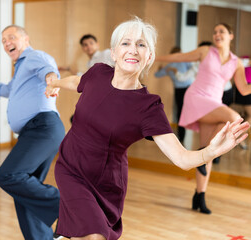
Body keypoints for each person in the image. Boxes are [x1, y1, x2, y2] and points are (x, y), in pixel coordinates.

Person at [44, 17, 249, 240]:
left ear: (148, 57)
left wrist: (212, 151)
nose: (133, 50)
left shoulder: (148, 106)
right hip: (71, 167)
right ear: (113, 53)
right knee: (94, 237)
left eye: (141, 45)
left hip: (107, 183)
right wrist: (54, 83)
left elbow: (181, 158)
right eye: (126, 43)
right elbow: (77, 82)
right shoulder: (98, 73)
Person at [0, 25, 65, 240]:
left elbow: (48, 70)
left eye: (11, 37)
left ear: (25, 39)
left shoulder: (34, 57)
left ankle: (68, 206)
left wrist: (52, 79)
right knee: (25, 192)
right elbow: (8, 89)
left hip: (43, 128)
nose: (6, 43)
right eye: (3, 40)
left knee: (8, 175)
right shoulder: (21, 68)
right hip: (37, 131)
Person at [156, 22, 251, 214]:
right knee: (233, 117)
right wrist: (154, 56)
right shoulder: (206, 51)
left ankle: (199, 197)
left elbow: (244, 89)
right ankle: (203, 152)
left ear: (230, 36)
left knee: (209, 152)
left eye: (222, 31)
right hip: (198, 98)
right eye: (215, 31)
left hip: (214, 103)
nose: (217, 34)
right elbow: (178, 57)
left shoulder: (236, 62)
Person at [154, 46, 194, 143]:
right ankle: (181, 136)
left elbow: (157, 74)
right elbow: (194, 70)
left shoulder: (172, 65)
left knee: (181, 112)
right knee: (182, 112)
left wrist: (160, 69)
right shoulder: (174, 65)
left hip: (185, 90)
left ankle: (181, 136)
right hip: (184, 90)